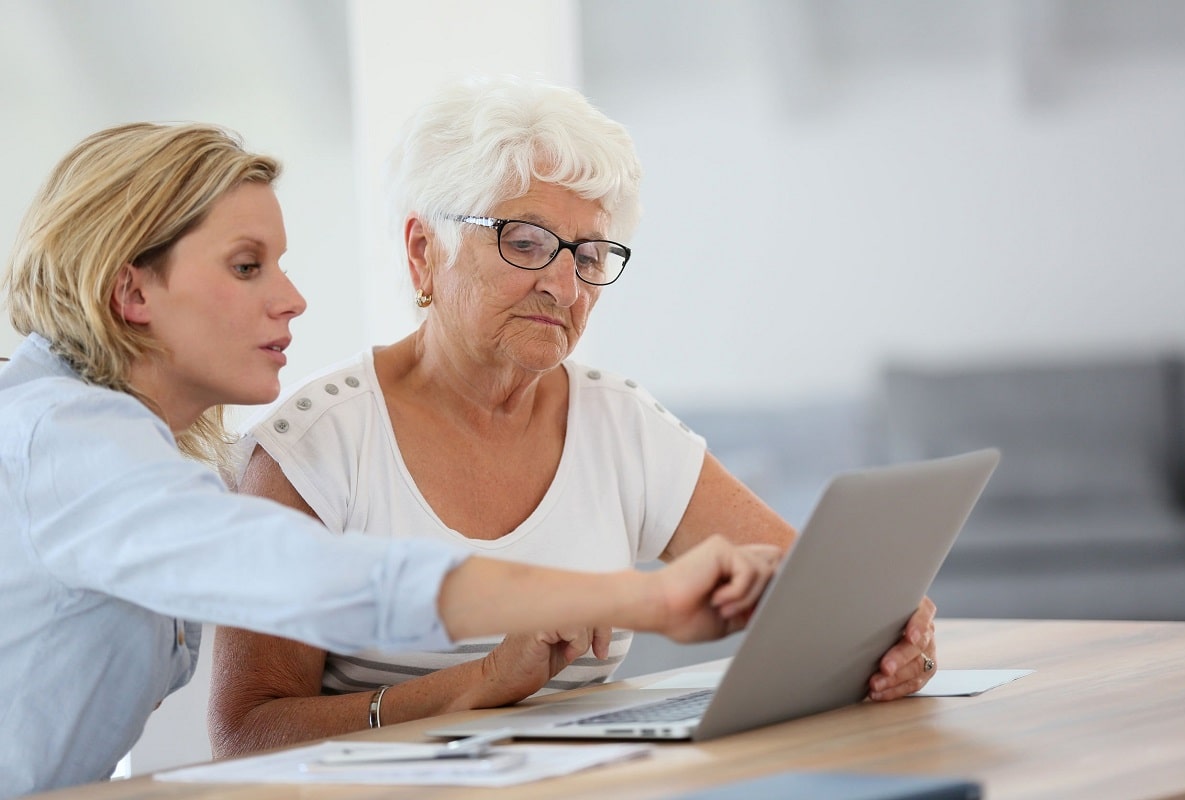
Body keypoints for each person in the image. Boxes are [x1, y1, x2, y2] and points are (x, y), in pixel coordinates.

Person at [0, 121, 781, 798]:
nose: (292, 298)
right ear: (132, 294)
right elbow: (312, 579)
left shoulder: (115, 446)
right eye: (246, 266)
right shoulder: (65, 444)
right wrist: (640, 597)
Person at [208, 75, 939, 758]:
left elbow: (813, 594)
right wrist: (480, 683)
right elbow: (245, 736)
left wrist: (890, 633)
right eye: (525, 243)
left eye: (589, 255)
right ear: (424, 251)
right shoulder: (315, 445)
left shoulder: (619, 423)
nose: (565, 286)